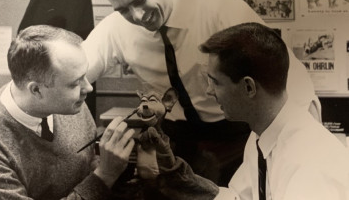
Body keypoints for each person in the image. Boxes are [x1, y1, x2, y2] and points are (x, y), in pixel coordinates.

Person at [82, 0, 320, 186]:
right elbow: (73, 70)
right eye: (123, 9)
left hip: (234, 134)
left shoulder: (218, 7)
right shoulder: (115, 28)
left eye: (141, 0)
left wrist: (310, 145)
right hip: (177, 141)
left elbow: (283, 71)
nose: (137, 16)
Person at [142, 22, 349, 199]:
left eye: (215, 82)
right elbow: (237, 197)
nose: (208, 91)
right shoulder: (262, 135)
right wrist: (176, 173)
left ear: (249, 87)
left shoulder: (309, 164)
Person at [0, 25, 135, 199]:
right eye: (75, 83)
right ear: (36, 90)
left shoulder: (71, 103)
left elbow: (88, 166)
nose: (88, 88)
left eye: (84, 76)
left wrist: (112, 166)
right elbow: (98, 179)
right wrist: (105, 176)